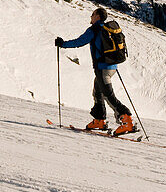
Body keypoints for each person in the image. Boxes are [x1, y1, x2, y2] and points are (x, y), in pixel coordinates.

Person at [55, 7, 135, 135]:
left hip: (102, 68)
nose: (90, 17)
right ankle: (99, 120)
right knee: (97, 92)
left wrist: (63, 44)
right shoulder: (107, 29)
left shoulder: (95, 29)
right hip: (111, 67)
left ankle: (127, 121)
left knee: (109, 96)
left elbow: (79, 42)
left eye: (92, 15)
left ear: (97, 16)